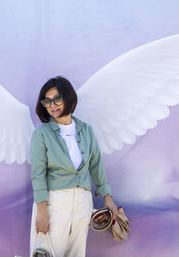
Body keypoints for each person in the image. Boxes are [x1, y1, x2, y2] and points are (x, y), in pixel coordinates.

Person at [30, 76, 118, 257]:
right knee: (47, 252)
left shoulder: (86, 130)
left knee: (76, 253)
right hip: (54, 202)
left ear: (69, 97)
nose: (52, 105)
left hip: (83, 201)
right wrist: (41, 211)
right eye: (47, 101)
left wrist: (108, 198)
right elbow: (38, 173)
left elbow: (96, 165)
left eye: (57, 98)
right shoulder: (41, 134)